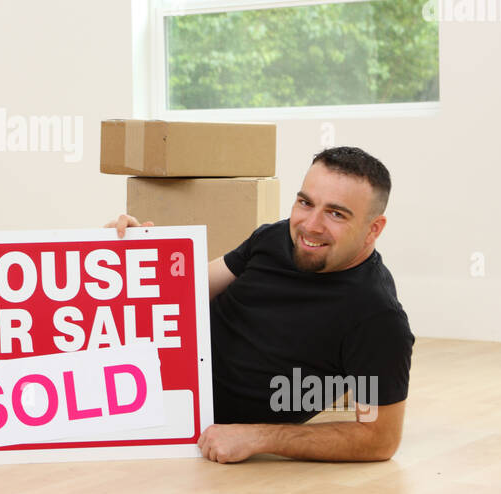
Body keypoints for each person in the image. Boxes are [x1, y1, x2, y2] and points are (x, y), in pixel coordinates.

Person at [110, 146, 413, 465]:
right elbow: (186, 292)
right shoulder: (275, 237)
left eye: (336, 214)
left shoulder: (377, 317)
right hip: (147, 380)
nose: (310, 225)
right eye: (305, 202)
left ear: (374, 229)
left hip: (186, 427)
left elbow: (379, 439)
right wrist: (130, 260)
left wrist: (260, 436)